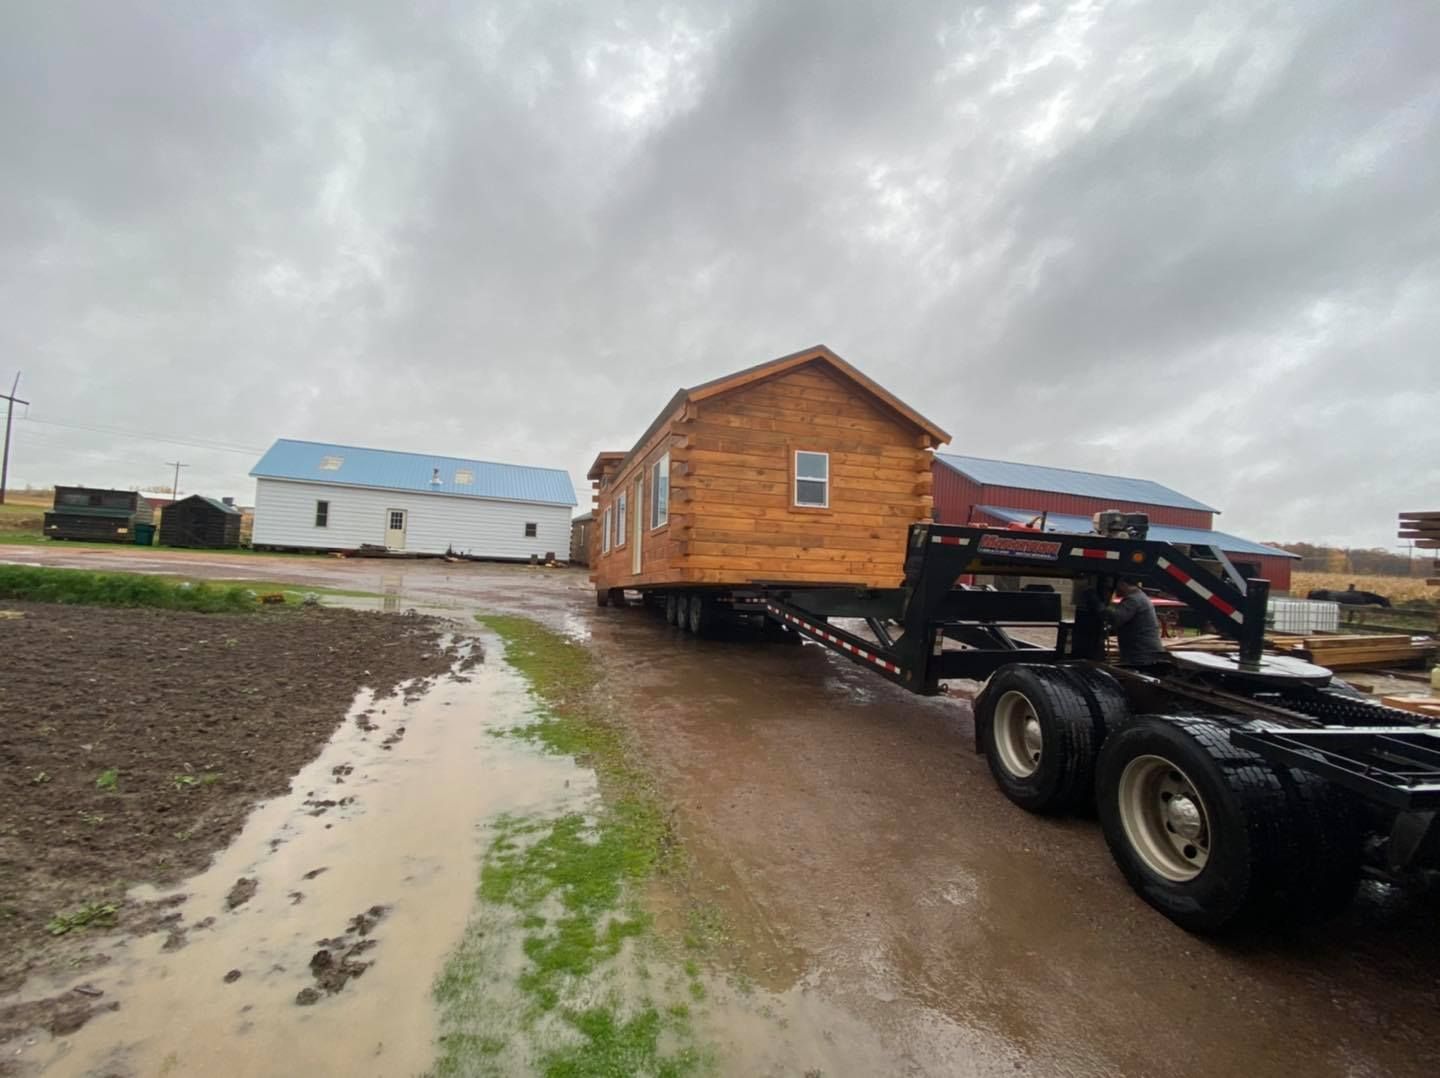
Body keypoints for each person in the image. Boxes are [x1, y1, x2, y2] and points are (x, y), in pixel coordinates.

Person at [1104, 579, 1167, 668]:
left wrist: (1098, 605)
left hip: (1141, 655)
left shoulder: (1134, 600)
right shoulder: (1139, 596)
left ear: (1123, 583)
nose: (1116, 589)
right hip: (1144, 653)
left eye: (1116, 586)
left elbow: (1116, 618)